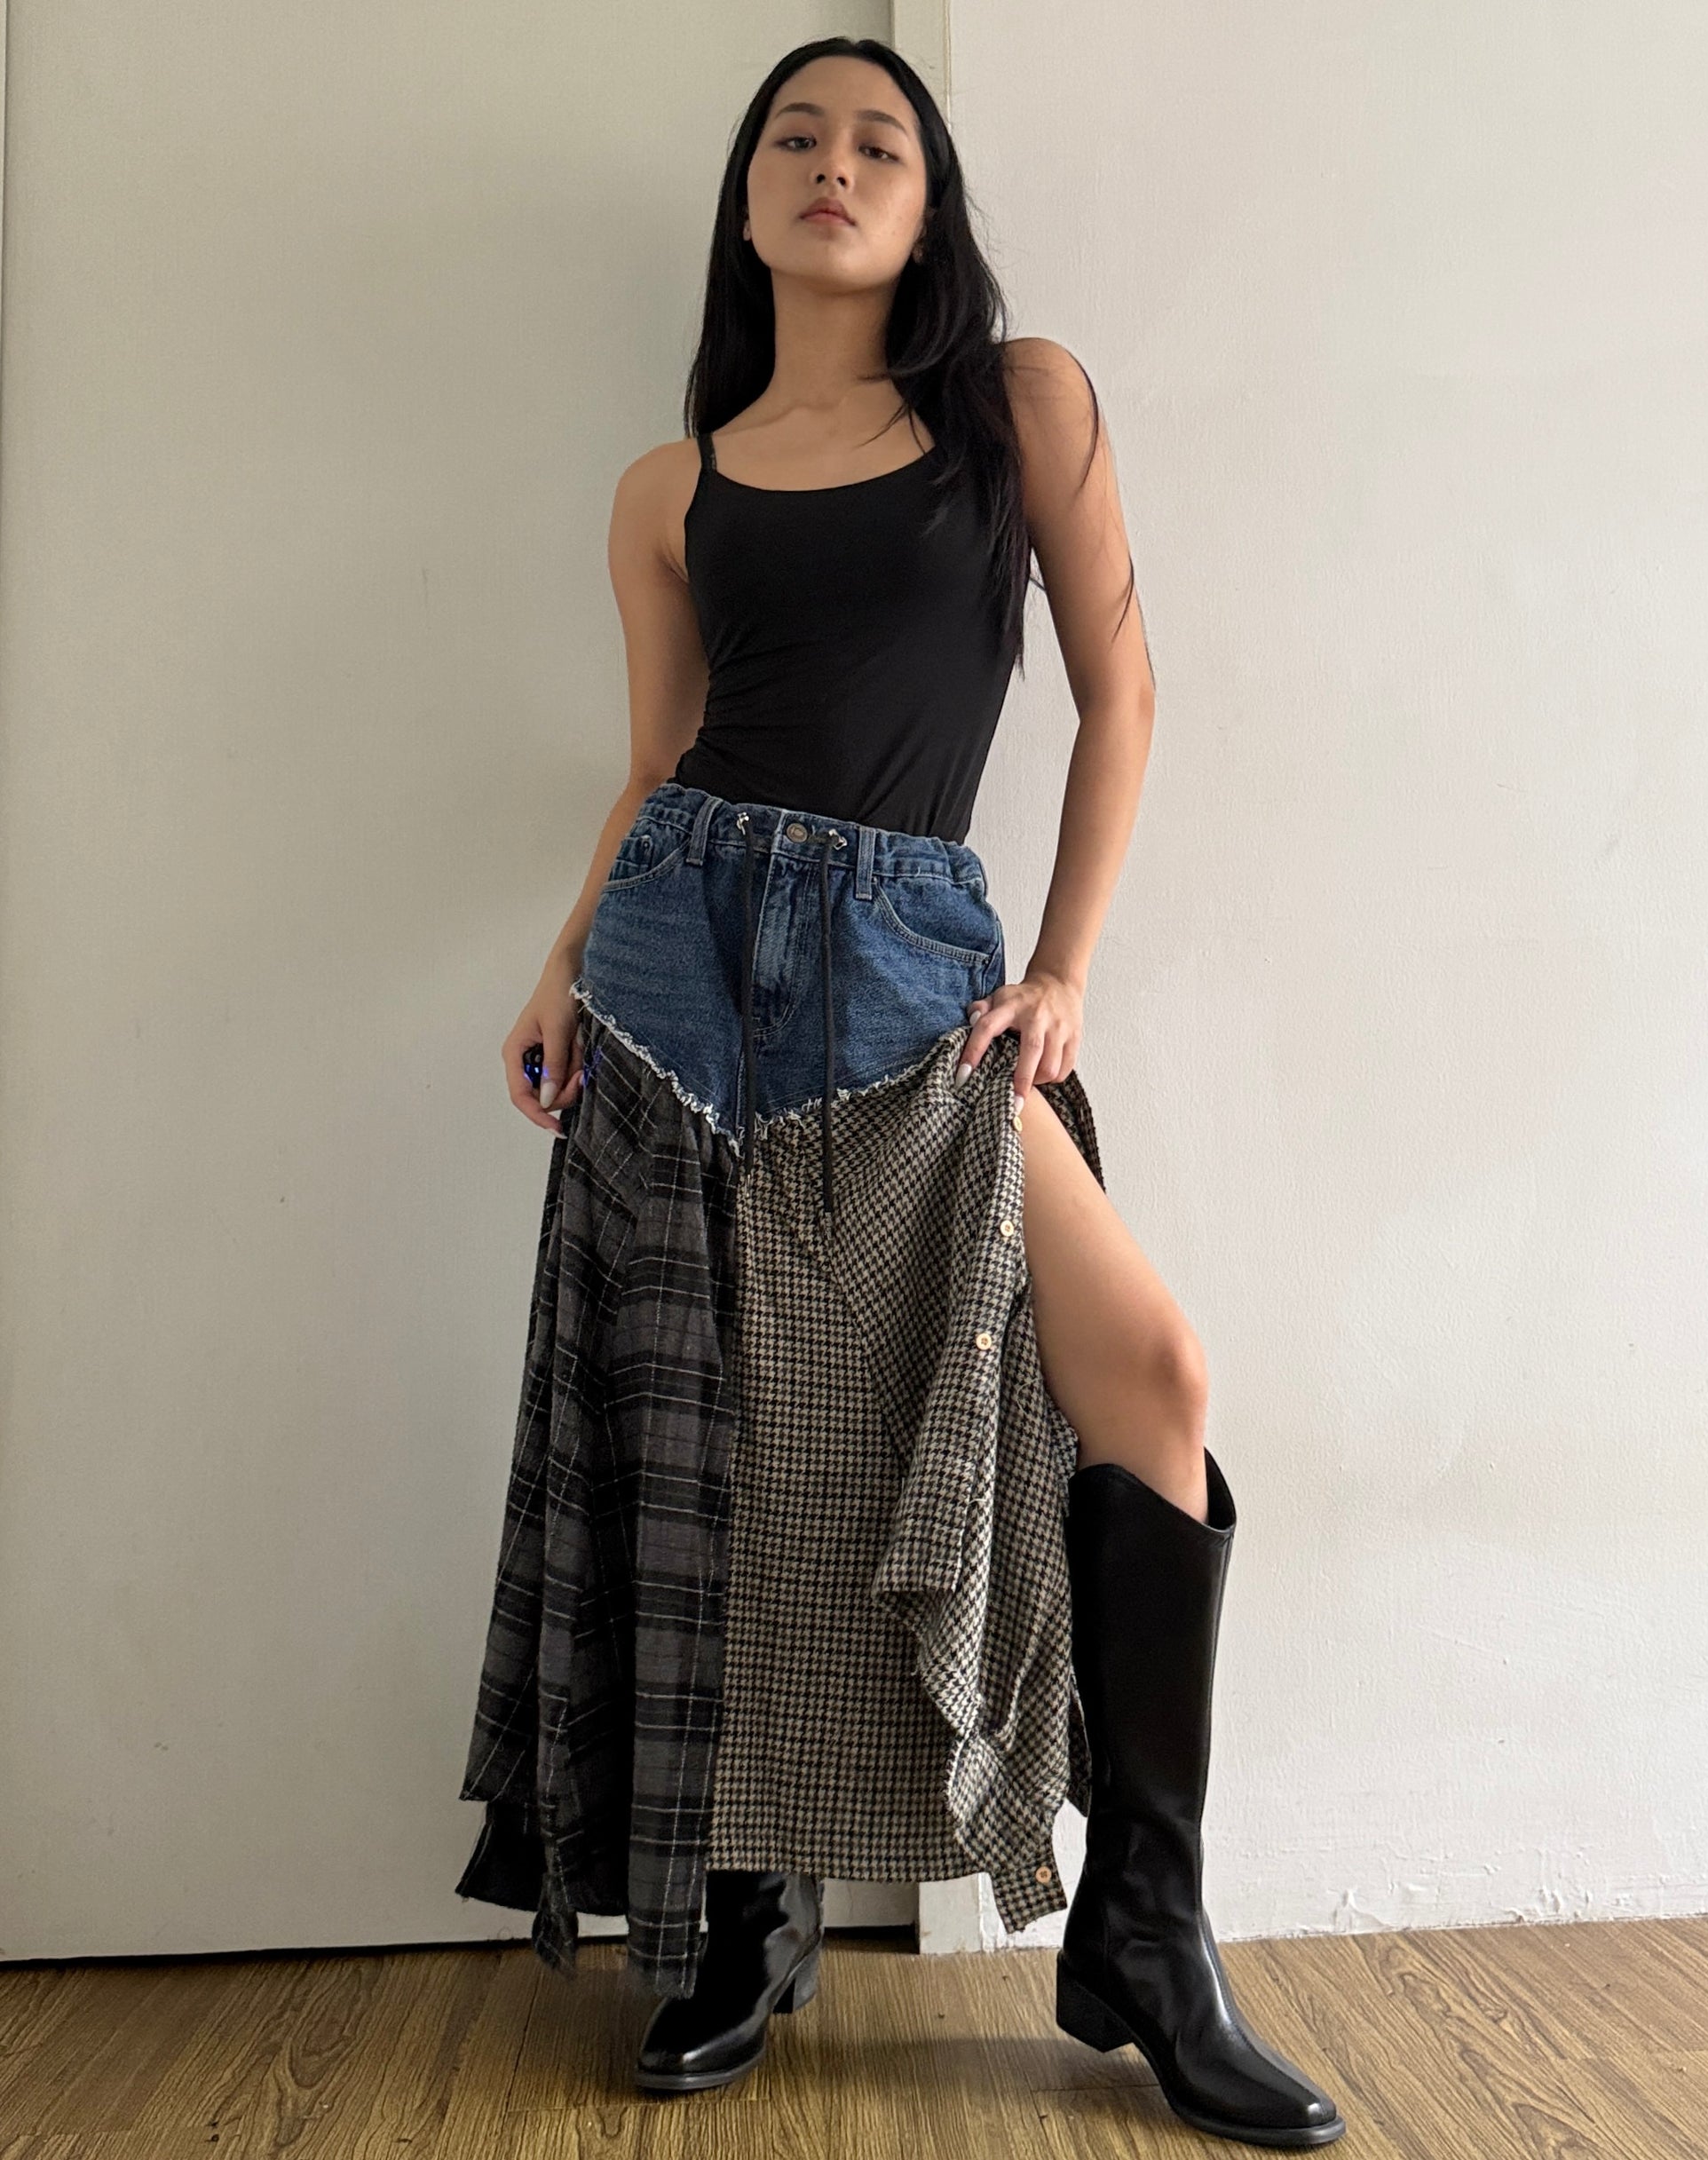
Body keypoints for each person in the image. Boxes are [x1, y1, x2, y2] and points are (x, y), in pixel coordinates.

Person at [456, 35, 1344, 2151]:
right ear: (747, 197)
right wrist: (566, 959)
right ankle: (745, 1911)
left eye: (879, 140)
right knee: (732, 1451)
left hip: (908, 974)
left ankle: (1144, 1928)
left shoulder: (1017, 406)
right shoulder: (668, 489)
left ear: (927, 202)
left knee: (1150, 1369)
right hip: (677, 972)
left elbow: (1125, 690)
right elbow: (659, 764)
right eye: (795, 136)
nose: (833, 164)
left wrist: (1063, 968)